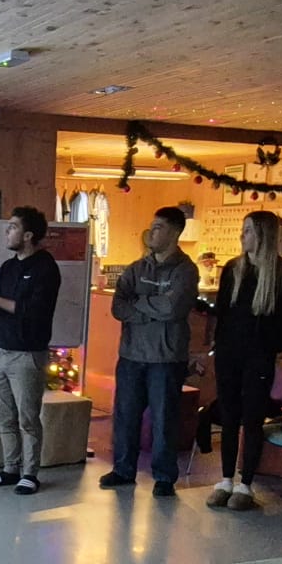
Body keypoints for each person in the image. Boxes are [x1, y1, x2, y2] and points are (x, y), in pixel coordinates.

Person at [207, 210, 282, 511]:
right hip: (228, 355)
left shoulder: (280, 272)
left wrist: (270, 345)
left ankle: (245, 483)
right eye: (243, 229)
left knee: (252, 420)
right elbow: (222, 313)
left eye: (248, 230)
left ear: (262, 235)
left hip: (258, 359)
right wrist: (218, 346)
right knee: (229, 416)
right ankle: (225, 479)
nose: (242, 235)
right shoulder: (233, 269)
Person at [101, 206, 199, 497]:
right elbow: (118, 307)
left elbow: (173, 308)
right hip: (131, 355)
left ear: (175, 232)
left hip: (166, 358)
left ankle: (164, 477)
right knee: (125, 416)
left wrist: (139, 304)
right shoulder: (136, 269)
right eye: (151, 226)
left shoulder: (186, 270)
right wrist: (152, 308)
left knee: (164, 419)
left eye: (158, 228)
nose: (151, 233)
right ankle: (123, 470)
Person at [0, 206, 61, 495]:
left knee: (28, 418)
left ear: (28, 235)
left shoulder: (46, 267)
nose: (7, 231)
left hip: (27, 354)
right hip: (0, 349)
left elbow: (36, 311)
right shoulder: (8, 267)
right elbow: (3, 308)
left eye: (13, 227)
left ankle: (30, 473)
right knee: (4, 416)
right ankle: (10, 468)